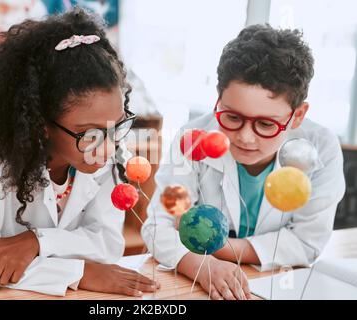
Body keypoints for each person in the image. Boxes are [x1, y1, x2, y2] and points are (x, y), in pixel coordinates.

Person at [0, 7, 159, 297]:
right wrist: (79, 272)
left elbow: (107, 244)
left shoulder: (102, 157)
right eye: (90, 133)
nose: (108, 148)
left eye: (117, 126)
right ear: (43, 124)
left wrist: (37, 242)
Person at [141, 24, 345, 300]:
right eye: (233, 117)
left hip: (275, 282)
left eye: (265, 124)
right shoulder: (193, 140)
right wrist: (200, 265)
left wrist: (216, 247)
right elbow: (156, 226)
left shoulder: (321, 148)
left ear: (297, 116)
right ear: (219, 100)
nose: (246, 138)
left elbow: (307, 243)